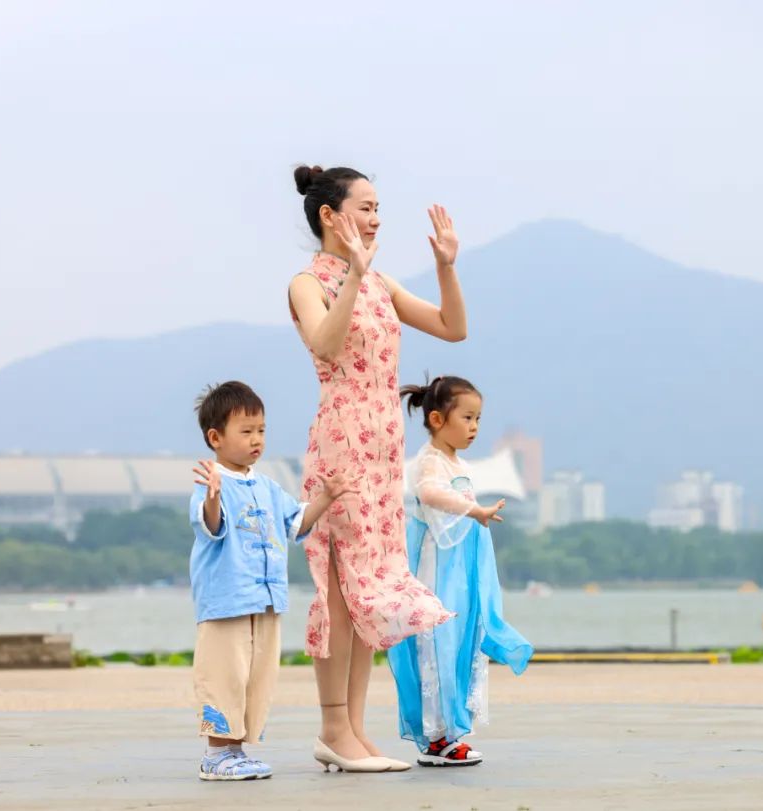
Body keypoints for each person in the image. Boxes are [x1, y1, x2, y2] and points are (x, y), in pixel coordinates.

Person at [287, 165, 469, 773]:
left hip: (384, 446)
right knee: (338, 589)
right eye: (365, 207)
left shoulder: (382, 283)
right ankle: (333, 727)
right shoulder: (307, 283)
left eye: (377, 207)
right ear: (329, 217)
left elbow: (452, 328)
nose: (375, 217)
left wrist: (446, 264)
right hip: (341, 442)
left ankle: (357, 733)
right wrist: (355, 274)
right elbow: (327, 346)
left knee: (370, 591)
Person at [189, 381, 355, 781]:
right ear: (215, 437)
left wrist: (326, 498)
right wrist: (213, 495)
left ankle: (238, 751)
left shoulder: (266, 485)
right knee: (224, 673)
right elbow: (211, 525)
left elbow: (296, 522)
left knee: (257, 676)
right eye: (245, 431)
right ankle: (216, 754)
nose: (256, 439)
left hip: (266, 601)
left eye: (261, 430)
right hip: (227, 601)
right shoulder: (210, 482)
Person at [388, 376, 533, 766]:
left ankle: (450, 732)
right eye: (467, 417)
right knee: (437, 644)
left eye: (478, 419)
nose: (474, 427)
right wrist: (475, 510)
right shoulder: (430, 461)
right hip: (436, 575)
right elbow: (429, 493)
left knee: (459, 644)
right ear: (437, 419)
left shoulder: (455, 461)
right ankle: (437, 738)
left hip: (458, 574)